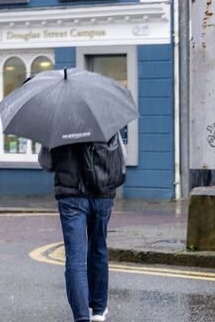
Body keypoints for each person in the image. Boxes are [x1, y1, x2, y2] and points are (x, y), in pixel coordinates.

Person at [39, 133, 126, 322]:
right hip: (102, 194)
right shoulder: (104, 118)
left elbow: (47, 163)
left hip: (71, 195)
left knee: (76, 259)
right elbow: (121, 156)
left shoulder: (58, 123)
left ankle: (81, 318)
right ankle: (99, 310)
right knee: (98, 249)